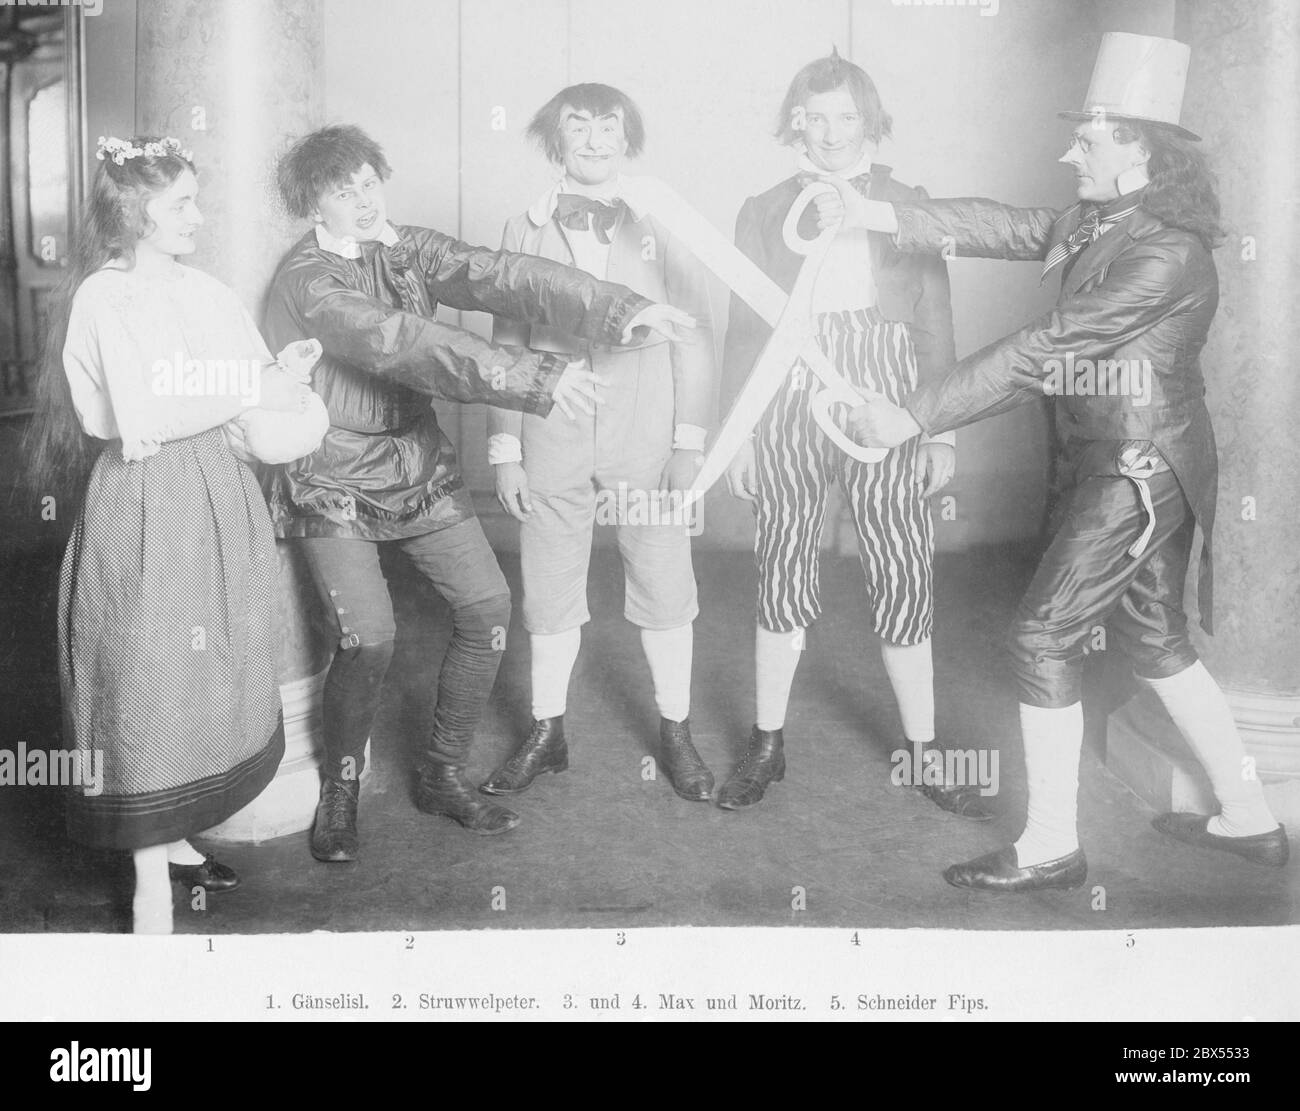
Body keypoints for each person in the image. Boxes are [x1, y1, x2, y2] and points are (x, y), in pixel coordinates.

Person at [838, 32, 1289, 890]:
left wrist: (913, 411)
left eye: (1086, 139)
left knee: (1043, 634)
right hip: (1128, 462)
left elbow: (1049, 345)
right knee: (1156, 641)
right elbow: (1005, 225)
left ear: (1139, 147)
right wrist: (881, 213)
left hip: (1136, 468)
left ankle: (1050, 843)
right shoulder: (1099, 219)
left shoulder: (1169, 252)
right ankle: (1250, 816)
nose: (1067, 151)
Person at [263, 125, 695, 861]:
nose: (365, 200)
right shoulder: (307, 278)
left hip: (415, 464)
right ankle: (340, 786)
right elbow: (400, 341)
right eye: (345, 191)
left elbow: (503, 273)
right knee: (371, 636)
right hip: (332, 474)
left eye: (371, 182)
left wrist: (619, 308)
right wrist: (537, 377)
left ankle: (440, 770)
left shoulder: (405, 247)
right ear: (314, 203)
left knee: (488, 607)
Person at [27, 135, 320, 933]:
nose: (198, 216)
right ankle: (150, 878)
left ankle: (179, 836)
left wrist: (280, 374)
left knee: (205, 670)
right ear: (135, 212)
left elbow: (245, 383)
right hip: (146, 498)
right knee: (144, 676)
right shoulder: (103, 297)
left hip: (219, 496)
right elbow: (143, 416)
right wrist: (235, 391)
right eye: (181, 203)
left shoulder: (207, 290)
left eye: (197, 198)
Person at [717, 51, 989, 818]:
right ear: (794, 119)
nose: (831, 132)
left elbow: (934, 315)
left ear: (868, 120)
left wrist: (940, 430)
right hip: (791, 382)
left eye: (846, 116)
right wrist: (738, 434)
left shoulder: (907, 202)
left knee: (903, 562)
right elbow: (743, 330)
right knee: (782, 559)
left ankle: (925, 749)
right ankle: (767, 742)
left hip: (887, 385)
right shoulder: (763, 207)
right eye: (815, 115)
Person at [480, 83, 716, 802]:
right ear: (556, 140)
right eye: (577, 128)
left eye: (606, 127)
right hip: (551, 432)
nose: (592, 141)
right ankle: (547, 732)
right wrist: (507, 448)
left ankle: (676, 731)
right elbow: (507, 338)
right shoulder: (524, 228)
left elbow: (693, 335)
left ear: (627, 136)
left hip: (643, 432)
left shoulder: (660, 222)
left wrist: (688, 441)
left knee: (664, 581)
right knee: (547, 589)